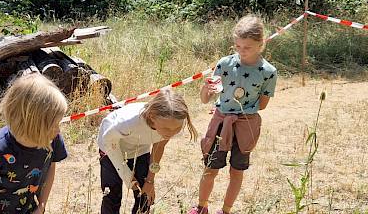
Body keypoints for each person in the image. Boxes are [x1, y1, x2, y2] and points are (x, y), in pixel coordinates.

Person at [188, 15, 278, 214]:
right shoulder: (225, 64)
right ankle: (201, 207)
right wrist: (206, 89)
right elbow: (206, 99)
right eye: (238, 46)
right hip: (221, 123)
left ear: (261, 44)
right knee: (210, 169)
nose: (241, 52)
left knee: (236, 171)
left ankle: (226, 210)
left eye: (247, 47)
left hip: (246, 126)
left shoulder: (268, 72)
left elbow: (262, 105)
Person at [0, 73, 68, 214]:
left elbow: (51, 166)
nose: (58, 130)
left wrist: (42, 205)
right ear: (32, 124)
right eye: (54, 124)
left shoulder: (51, 139)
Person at [97, 90, 198, 214]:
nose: (171, 133)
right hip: (111, 148)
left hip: (140, 148)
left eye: (176, 128)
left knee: (145, 196)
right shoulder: (128, 122)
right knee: (111, 194)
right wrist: (127, 176)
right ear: (152, 117)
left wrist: (150, 181)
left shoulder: (171, 124)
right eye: (166, 129)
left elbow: (159, 148)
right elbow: (110, 143)